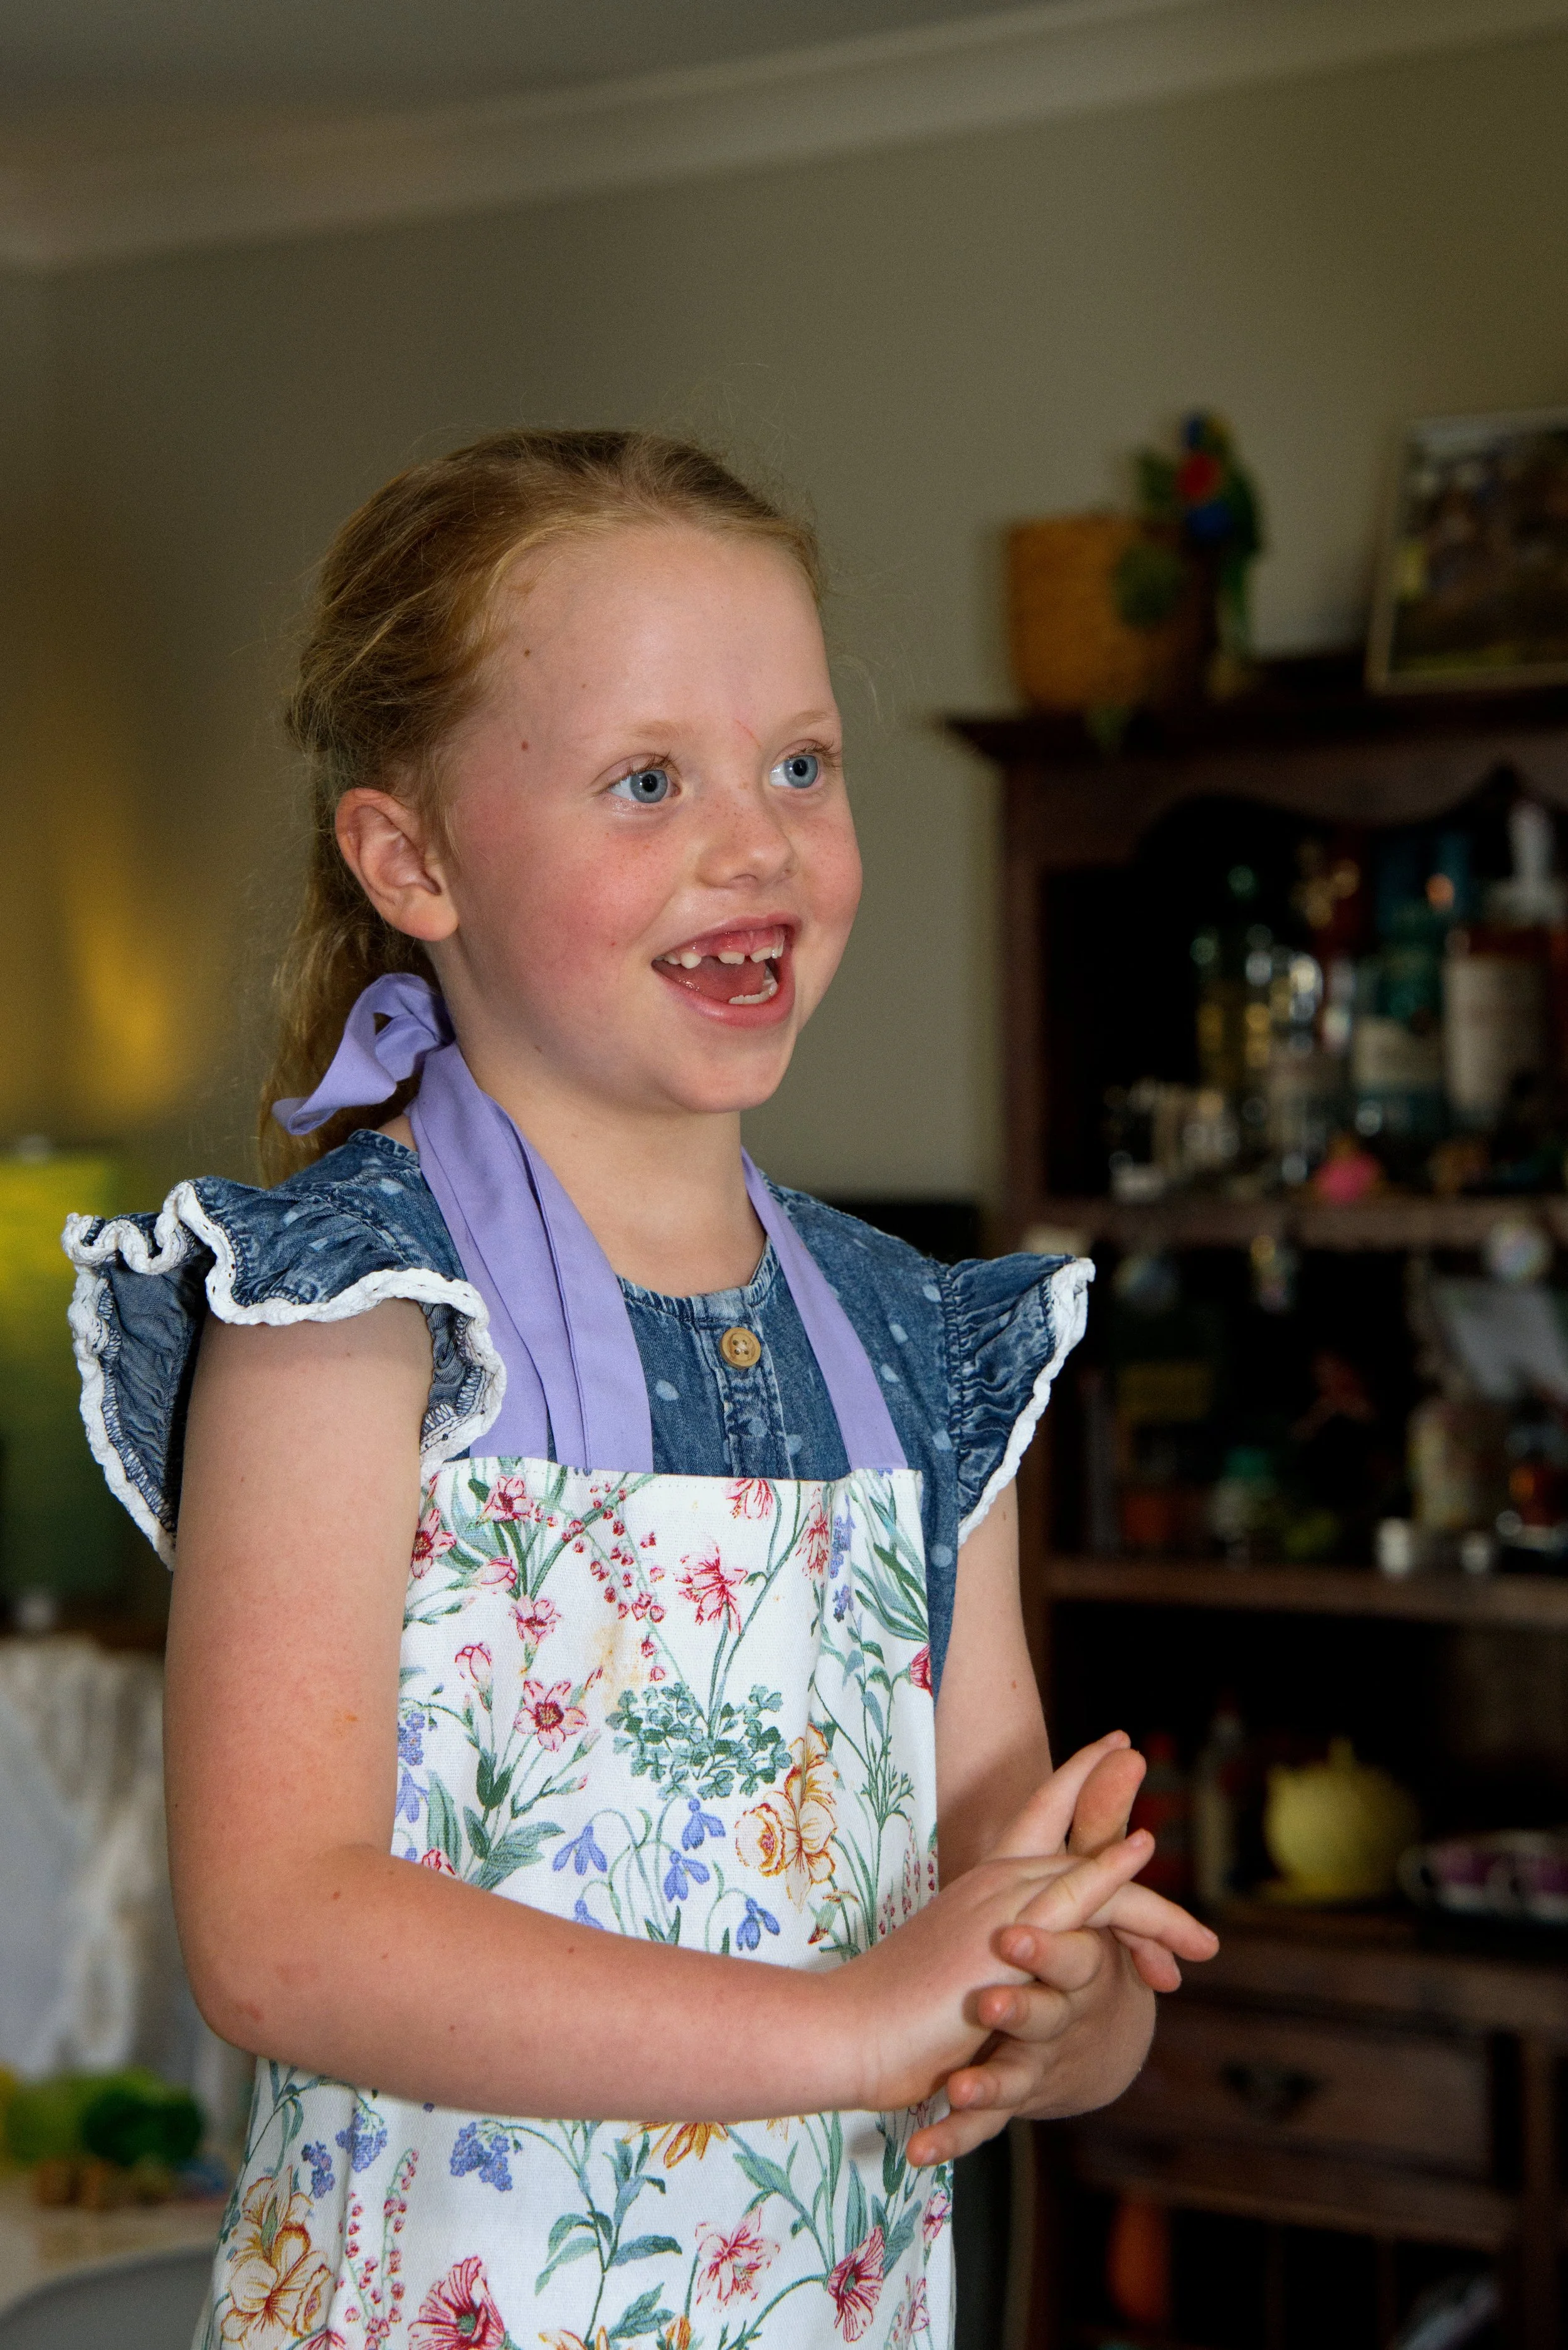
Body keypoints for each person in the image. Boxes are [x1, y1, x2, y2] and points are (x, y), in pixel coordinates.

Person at [66, 430, 1215, 2350]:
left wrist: (1063, 2008)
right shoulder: (342, 1314)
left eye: (799, 764)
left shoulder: (929, 1348)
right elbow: (278, 1937)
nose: (754, 841)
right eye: (647, 779)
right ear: (411, 860)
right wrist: (848, 2026)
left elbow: (1007, 1902)